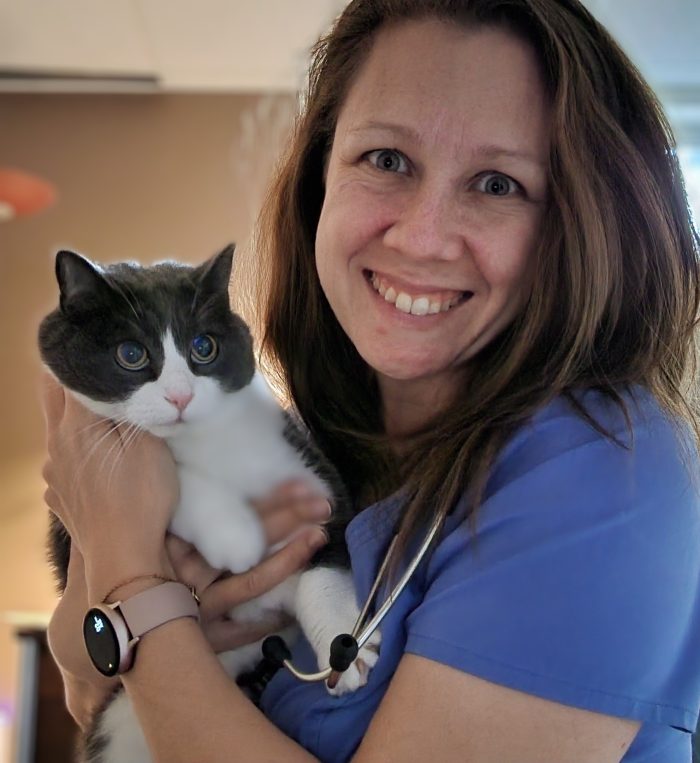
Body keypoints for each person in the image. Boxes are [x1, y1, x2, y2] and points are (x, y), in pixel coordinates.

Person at [41, 0, 700, 761]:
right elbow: (87, 683)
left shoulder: (605, 471)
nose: (421, 237)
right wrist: (115, 594)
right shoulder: (326, 445)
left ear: (577, 226)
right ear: (321, 177)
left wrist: (127, 570)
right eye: (387, 160)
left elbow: (121, 647)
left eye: (497, 183)